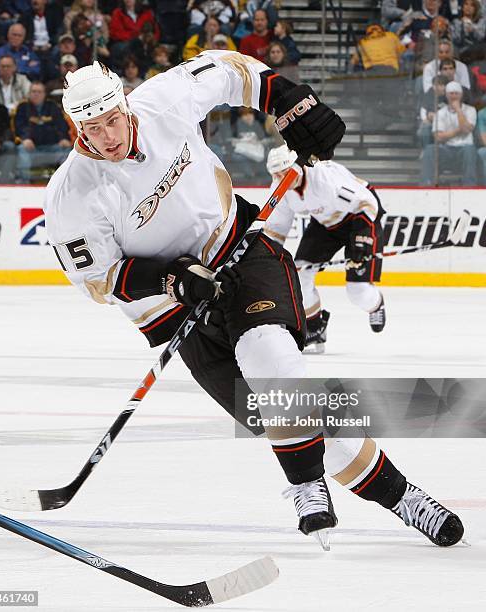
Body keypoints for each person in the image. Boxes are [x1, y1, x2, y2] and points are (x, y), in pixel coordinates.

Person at [42, 55, 462, 548]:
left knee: (271, 357)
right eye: (93, 128)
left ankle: (304, 481)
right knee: (290, 412)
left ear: (125, 106)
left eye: (113, 120)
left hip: (237, 250)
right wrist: (174, 279)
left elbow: (229, 70)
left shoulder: (163, 101)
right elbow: (101, 280)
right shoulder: (70, 196)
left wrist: (287, 99)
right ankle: (403, 496)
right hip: (172, 310)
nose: (108, 137)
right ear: (76, 126)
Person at [264, 145, 387, 355]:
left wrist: (360, 242)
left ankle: (376, 305)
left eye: (285, 172)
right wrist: (266, 255)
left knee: (358, 292)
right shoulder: (281, 189)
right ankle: (315, 328)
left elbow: (368, 204)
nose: (282, 178)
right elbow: (276, 230)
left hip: (359, 219)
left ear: (297, 167)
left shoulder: (325, 180)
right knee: (300, 274)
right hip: (325, 225)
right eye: (277, 175)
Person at [421, 80, 477, 185]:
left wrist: (458, 110)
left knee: (470, 150)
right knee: (429, 150)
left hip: (465, 149)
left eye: (456, 93)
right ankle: (426, 185)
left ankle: (470, 186)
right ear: (446, 95)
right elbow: (438, 137)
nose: (454, 96)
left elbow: (467, 129)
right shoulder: (440, 113)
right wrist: (458, 130)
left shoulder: (470, 110)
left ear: (461, 95)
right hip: (446, 149)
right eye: (451, 93)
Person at [14, 81, 71, 181]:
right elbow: (19, 126)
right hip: (32, 148)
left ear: (44, 94)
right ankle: (23, 182)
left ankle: (64, 183)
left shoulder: (52, 107)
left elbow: (61, 125)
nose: (36, 94)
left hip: (52, 148)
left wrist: (63, 138)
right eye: (33, 91)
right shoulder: (23, 107)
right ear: (29, 93)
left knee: (67, 150)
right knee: (21, 149)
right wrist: (25, 138)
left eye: (39, 92)